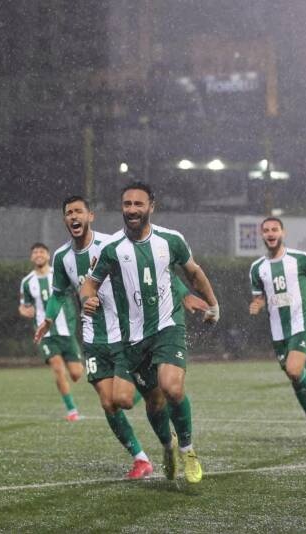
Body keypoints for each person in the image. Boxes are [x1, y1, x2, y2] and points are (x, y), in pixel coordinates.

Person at [35, 195, 209, 480]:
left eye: (79, 211)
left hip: (124, 335)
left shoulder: (112, 244)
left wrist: (184, 294)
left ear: (90, 216)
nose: (74, 216)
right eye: (68, 213)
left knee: (127, 399)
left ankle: (169, 430)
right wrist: (48, 319)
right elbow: (58, 294)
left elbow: (158, 271)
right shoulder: (62, 257)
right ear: (65, 219)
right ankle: (141, 459)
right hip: (93, 338)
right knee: (109, 403)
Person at [79, 182, 219, 484]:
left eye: (138, 204)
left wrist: (213, 304)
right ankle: (168, 447)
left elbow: (194, 273)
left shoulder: (171, 240)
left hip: (168, 326)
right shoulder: (112, 248)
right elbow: (90, 283)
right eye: (127, 204)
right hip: (132, 338)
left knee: (172, 388)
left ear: (151, 207)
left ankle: (187, 449)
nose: (132, 209)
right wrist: (86, 298)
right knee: (142, 401)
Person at [248, 217, 306, 432]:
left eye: (274, 229)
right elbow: (259, 297)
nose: (270, 233)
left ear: (282, 233)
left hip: (302, 322)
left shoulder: (300, 259)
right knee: (296, 377)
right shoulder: (257, 268)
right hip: (278, 330)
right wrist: (256, 305)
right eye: (266, 230)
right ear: (262, 235)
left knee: (294, 370)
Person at [19, 243, 83, 421]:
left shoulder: (60, 275)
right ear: (32, 257)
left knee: (76, 374)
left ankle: (71, 384)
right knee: (58, 368)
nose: (38, 255)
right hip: (46, 335)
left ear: (48, 256)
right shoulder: (27, 282)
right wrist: (25, 311)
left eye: (42, 252)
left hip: (66, 331)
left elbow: (78, 290)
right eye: (35, 252)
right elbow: (24, 306)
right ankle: (72, 410)